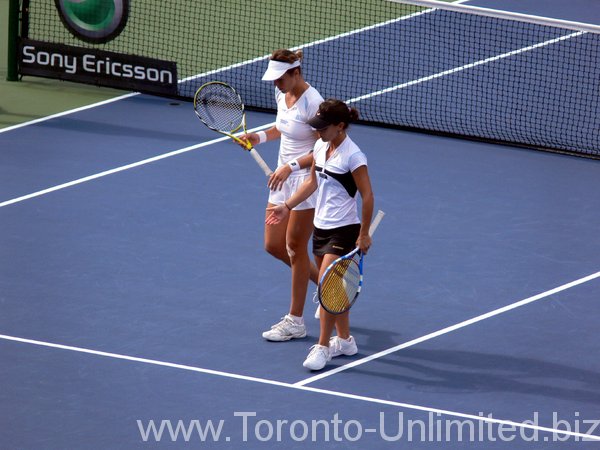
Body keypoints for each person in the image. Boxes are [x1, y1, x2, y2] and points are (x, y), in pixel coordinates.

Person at [265, 99, 375, 370]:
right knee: (336, 290)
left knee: (328, 287)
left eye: (323, 128)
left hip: (344, 230)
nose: (318, 132)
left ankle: (324, 346)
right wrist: (286, 207)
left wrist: (364, 234)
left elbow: (368, 195)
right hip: (321, 227)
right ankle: (346, 341)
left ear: (340, 126)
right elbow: (312, 182)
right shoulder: (321, 146)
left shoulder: (354, 156)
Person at [240, 49, 323, 341]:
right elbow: (282, 128)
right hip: (281, 178)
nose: (276, 84)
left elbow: (323, 150)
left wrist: (290, 166)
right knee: (273, 245)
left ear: (296, 73)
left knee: (295, 248)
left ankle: (295, 322)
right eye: (274, 79)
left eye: (280, 79)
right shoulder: (281, 95)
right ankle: (326, 285)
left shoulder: (314, 104)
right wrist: (257, 137)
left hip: (305, 181)